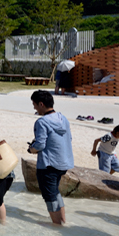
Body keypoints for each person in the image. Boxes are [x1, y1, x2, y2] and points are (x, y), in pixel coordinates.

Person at [27, 90, 74, 226]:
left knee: (49, 196)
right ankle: (63, 221)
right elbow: (68, 138)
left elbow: (40, 145)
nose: (34, 107)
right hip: (63, 162)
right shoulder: (63, 118)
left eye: (34, 104)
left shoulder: (41, 122)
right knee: (55, 192)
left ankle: (57, 226)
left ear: (41, 104)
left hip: (48, 165)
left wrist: (31, 149)